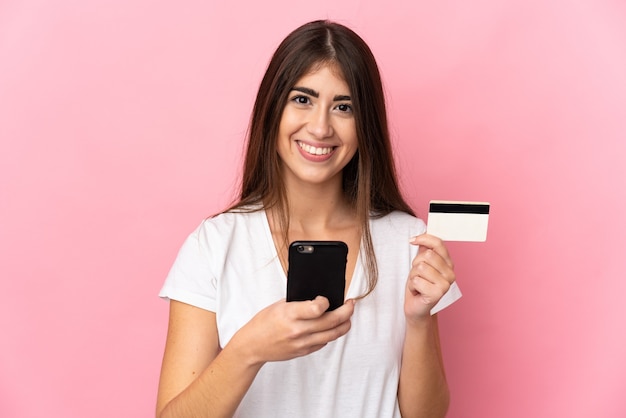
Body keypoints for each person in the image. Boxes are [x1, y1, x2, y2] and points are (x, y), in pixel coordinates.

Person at [156, 20, 461, 418]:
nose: (320, 127)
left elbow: (427, 416)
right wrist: (248, 350)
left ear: (364, 123)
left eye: (344, 107)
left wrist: (418, 320)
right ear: (273, 108)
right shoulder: (214, 244)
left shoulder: (408, 241)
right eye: (302, 100)